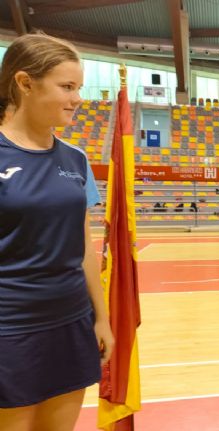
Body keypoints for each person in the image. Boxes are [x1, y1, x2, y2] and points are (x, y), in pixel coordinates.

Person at [0, 34, 114, 431]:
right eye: (67, 87)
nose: (78, 97)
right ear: (25, 83)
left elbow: (84, 247)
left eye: (78, 87)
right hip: (10, 327)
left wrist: (101, 318)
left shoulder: (75, 160)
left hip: (70, 322)